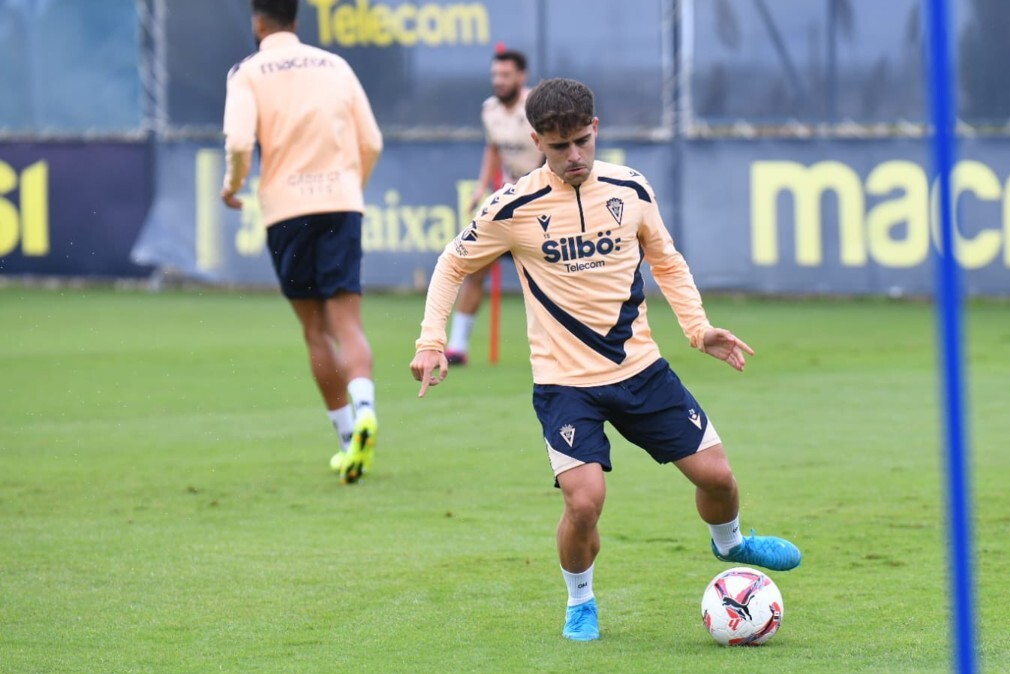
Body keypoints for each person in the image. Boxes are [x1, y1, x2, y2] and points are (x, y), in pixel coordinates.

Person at [409, 78, 801, 641]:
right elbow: (452, 263)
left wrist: (697, 328)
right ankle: (580, 602)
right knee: (585, 501)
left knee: (718, 477)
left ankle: (731, 541)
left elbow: (665, 259)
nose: (573, 157)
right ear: (537, 140)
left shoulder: (630, 188)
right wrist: (431, 339)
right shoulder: (514, 206)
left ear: (596, 129)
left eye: (581, 142)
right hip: (565, 385)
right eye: (558, 145)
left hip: (642, 371)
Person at [221, 0, 383, 484]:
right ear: (296, 18)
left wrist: (232, 185)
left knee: (316, 331)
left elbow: (236, 144)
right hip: (341, 201)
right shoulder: (336, 65)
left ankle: (345, 437)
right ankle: (367, 407)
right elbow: (371, 140)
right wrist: (351, 186)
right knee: (348, 323)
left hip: (286, 210)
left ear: (257, 21)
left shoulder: (246, 72)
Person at [445, 50, 544, 366]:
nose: (499, 81)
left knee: (551, 276)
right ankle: (458, 346)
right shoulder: (489, 110)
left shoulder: (537, 108)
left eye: (506, 75)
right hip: (508, 201)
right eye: (495, 75)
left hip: (542, 200)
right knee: (474, 268)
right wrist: (480, 187)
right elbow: (492, 150)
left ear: (521, 76)